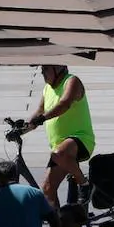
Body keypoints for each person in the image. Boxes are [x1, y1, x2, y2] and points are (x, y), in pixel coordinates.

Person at [25, 65, 94, 209]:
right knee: (47, 190)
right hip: (60, 149)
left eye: (46, 69)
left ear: (58, 68)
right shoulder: (47, 89)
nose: (42, 73)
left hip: (80, 140)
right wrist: (22, 129)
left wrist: (43, 118)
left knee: (58, 153)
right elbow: (39, 112)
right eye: (42, 70)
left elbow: (65, 104)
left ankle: (85, 184)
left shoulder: (72, 81)